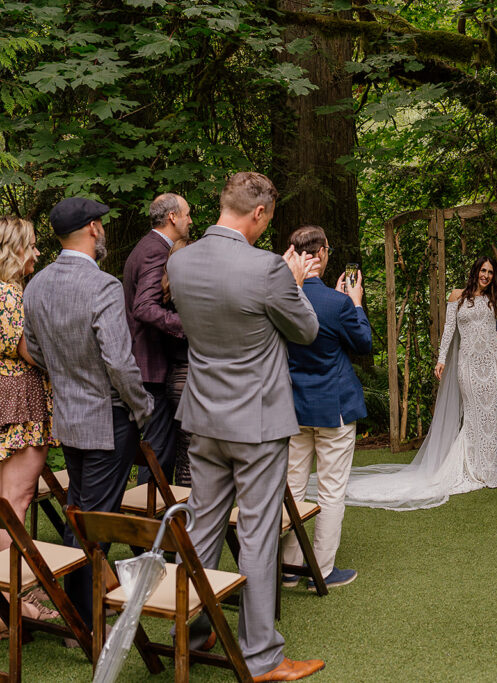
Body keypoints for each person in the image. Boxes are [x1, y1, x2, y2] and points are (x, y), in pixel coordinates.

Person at [166, 172, 324, 682]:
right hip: (256, 422)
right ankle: (261, 659)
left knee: (203, 525)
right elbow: (306, 330)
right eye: (268, 220)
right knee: (256, 535)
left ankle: (192, 633)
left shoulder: (180, 260)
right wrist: (294, 283)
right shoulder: (268, 270)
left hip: (202, 417)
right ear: (258, 214)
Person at [21, 197, 153, 628]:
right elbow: (118, 360)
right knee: (92, 525)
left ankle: (77, 610)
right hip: (108, 418)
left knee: (80, 512)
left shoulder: (37, 283)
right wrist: (142, 407)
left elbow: (35, 349)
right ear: (94, 228)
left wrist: (67, 374)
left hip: (69, 415)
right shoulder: (104, 286)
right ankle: (81, 621)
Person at [345, 233, 497, 510]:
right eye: (483, 270)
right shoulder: (458, 297)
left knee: (492, 416)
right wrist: (441, 360)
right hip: (468, 364)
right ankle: (471, 467)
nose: (487, 276)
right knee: (475, 415)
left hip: (494, 363)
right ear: (475, 271)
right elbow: (449, 332)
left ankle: (491, 471)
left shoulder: (494, 299)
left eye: (490, 272)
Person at [281, 225, 371, 590]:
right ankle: (322, 568)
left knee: (292, 486)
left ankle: (288, 568)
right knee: (332, 489)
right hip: (333, 406)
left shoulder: (280, 296)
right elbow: (363, 344)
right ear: (321, 254)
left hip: (292, 406)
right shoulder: (339, 304)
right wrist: (356, 303)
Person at [0, 216, 60, 623]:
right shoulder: (9, 296)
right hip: (21, 402)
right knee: (14, 503)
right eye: (32, 246)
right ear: (14, 250)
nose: (37, 253)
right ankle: (10, 608)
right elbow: (32, 354)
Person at [123, 193, 192, 484]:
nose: (190, 220)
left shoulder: (148, 246)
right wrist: (189, 326)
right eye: (187, 214)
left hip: (149, 365)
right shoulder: (155, 250)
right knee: (158, 455)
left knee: (158, 452)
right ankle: (152, 526)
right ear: (172, 217)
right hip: (152, 367)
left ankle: (158, 522)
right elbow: (144, 307)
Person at [160, 238, 192, 485]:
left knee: (185, 451)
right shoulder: (192, 299)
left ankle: (182, 516)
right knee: (194, 454)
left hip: (174, 379)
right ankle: (189, 518)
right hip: (191, 379)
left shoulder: (166, 297)